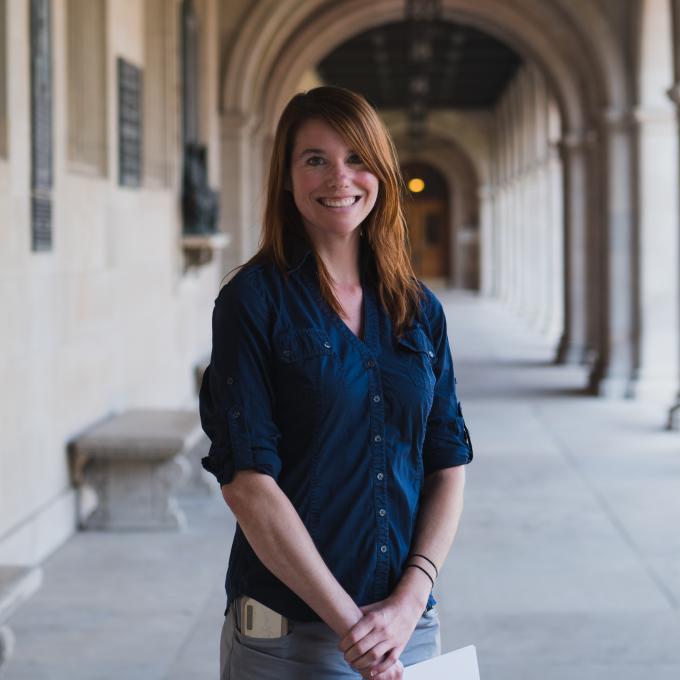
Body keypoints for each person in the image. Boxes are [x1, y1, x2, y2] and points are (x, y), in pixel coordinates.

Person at [199, 86, 473, 680]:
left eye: (357, 158)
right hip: (290, 639)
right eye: (315, 159)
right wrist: (354, 626)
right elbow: (248, 485)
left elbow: (447, 460)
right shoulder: (252, 302)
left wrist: (406, 603)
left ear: (382, 171)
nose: (339, 177)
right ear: (287, 178)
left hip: (408, 634)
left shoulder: (418, 308)